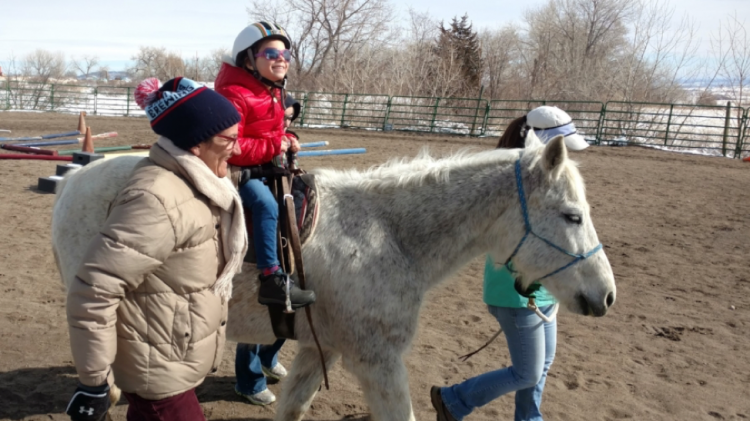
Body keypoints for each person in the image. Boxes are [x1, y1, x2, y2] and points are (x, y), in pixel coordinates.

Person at [65, 76, 247, 421]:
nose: (237, 149)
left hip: (170, 355)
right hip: (157, 369)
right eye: (229, 139)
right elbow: (94, 291)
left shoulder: (200, 185)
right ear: (196, 142)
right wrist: (94, 382)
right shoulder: (157, 199)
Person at [430, 106, 588, 421]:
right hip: (516, 290)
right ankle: (453, 400)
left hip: (543, 287)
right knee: (527, 371)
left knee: (540, 365)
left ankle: (529, 417)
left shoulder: (548, 181)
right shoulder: (514, 183)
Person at [214, 21, 315, 308]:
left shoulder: (270, 90)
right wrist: (274, 146)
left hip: (263, 163)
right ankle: (270, 277)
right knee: (266, 205)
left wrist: (288, 137)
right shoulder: (234, 94)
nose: (281, 60)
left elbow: (270, 130)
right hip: (236, 170)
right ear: (248, 59)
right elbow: (230, 147)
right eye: (271, 54)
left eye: (286, 55)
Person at [233, 94, 301, 406]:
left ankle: (267, 356)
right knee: (254, 306)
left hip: (267, 172)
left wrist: (288, 140)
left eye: (289, 119)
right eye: (281, 118)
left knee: (296, 295)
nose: (285, 123)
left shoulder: (278, 131)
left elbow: (279, 140)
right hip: (240, 172)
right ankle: (248, 380)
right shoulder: (247, 124)